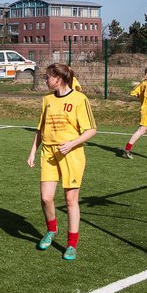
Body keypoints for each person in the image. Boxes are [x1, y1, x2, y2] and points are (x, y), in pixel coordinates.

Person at [27, 63, 96, 261]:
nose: (45, 80)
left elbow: (91, 130)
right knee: (46, 198)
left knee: (70, 200)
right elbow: (40, 129)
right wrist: (33, 151)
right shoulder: (47, 100)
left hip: (71, 154)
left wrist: (72, 143)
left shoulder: (79, 99)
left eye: (48, 77)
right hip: (48, 153)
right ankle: (51, 229)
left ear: (58, 78)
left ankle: (72, 244)